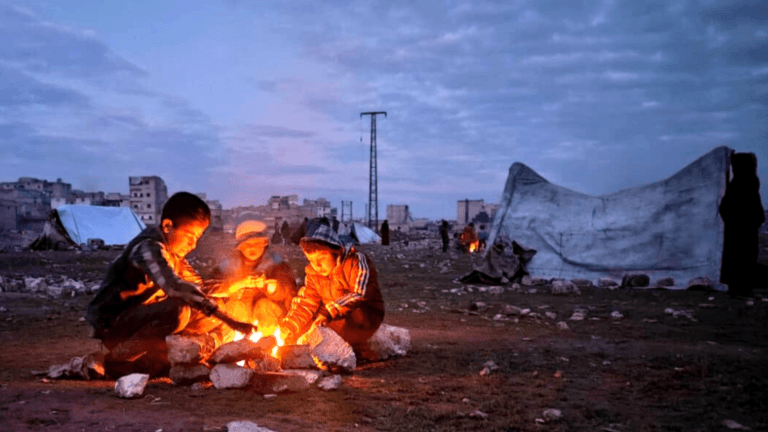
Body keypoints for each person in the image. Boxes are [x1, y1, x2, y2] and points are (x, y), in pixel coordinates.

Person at [86, 192, 255, 377]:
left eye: (197, 238)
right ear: (167, 226)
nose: (193, 245)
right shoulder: (148, 248)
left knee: (220, 307)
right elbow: (175, 287)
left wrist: (237, 284)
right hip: (114, 325)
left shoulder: (174, 256)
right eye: (190, 236)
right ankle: (119, 360)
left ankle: (184, 351)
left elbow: (199, 288)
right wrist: (231, 321)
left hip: (145, 320)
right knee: (180, 310)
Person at [279, 223, 385, 357]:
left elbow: (359, 294)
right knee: (304, 332)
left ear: (336, 252)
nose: (316, 265)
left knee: (330, 333)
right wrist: (290, 325)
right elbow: (307, 301)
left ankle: (356, 348)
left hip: (365, 315)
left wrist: (328, 313)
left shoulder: (356, 260)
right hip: (332, 317)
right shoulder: (313, 273)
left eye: (321, 259)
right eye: (310, 260)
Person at [207, 220, 298, 336]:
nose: (252, 248)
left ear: (265, 243)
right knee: (235, 306)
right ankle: (232, 348)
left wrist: (274, 289)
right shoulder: (228, 266)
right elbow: (210, 289)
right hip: (240, 315)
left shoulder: (276, 265)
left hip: (267, 317)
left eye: (256, 244)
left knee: (264, 306)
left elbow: (289, 292)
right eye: (247, 244)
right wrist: (236, 285)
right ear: (239, 247)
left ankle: (266, 347)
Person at [719, 152, 765, 297]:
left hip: (740, 227)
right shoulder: (746, 181)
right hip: (743, 228)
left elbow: (725, 207)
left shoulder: (740, 182)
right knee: (744, 257)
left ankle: (739, 287)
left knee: (741, 257)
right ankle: (741, 288)